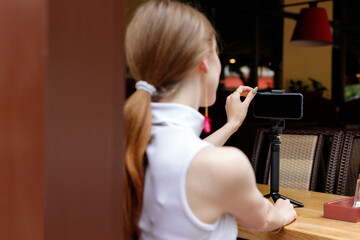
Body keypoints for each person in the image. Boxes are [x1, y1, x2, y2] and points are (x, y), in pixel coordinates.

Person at [124, 1, 297, 239]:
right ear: (203, 64)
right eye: (217, 52)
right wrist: (282, 212)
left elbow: (188, 155)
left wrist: (232, 125)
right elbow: (262, 219)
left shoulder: (129, 140)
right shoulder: (225, 165)